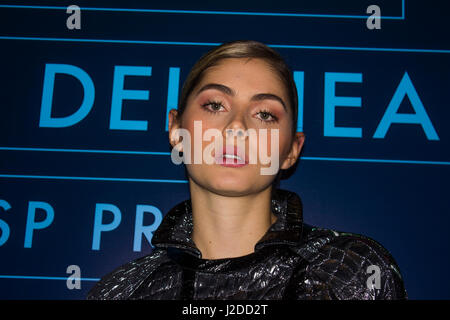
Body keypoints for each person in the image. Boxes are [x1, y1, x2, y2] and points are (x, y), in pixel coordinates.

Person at [87, 40, 407, 300]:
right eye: (215, 105)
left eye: (265, 114)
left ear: (291, 150)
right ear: (175, 129)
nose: (237, 126)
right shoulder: (122, 291)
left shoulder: (350, 270)